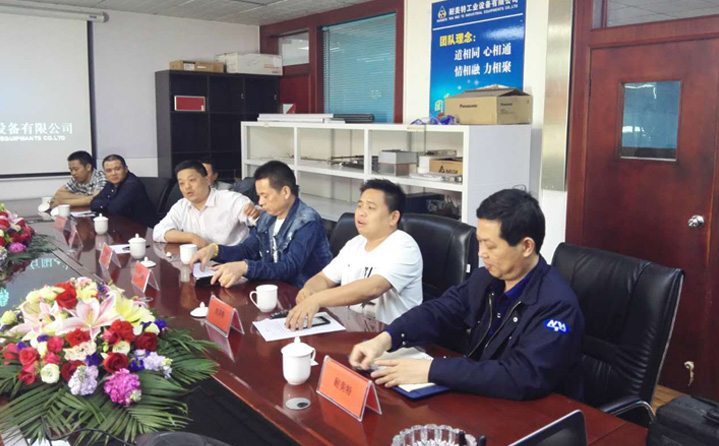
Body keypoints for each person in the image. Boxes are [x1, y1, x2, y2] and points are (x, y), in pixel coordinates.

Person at [349, 189, 585, 401]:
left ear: (526, 246)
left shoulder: (556, 304)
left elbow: (522, 375)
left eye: (491, 246)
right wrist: (386, 338)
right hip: (480, 396)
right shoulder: (487, 279)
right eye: (479, 242)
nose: (481, 253)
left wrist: (432, 370)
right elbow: (439, 311)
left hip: (533, 413)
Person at [285, 179, 422, 329]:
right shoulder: (355, 243)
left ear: (393, 217)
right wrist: (309, 290)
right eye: (360, 205)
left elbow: (373, 288)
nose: (361, 212)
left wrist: (318, 299)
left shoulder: (404, 246)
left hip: (391, 337)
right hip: (352, 329)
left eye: (370, 207)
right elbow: (324, 278)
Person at [190, 161, 332, 289]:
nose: (260, 202)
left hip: (303, 293)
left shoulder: (307, 222)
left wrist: (246, 268)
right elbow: (248, 250)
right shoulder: (267, 217)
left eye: (265, 196)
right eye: (259, 196)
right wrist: (214, 250)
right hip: (272, 287)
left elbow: (289, 267)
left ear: (285, 192)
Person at [153, 160, 260, 248]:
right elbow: (158, 232)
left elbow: (261, 219)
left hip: (232, 262)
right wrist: (191, 237)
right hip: (199, 261)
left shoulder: (231, 200)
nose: (187, 187)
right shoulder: (181, 205)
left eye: (192, 180)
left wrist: (257, 211)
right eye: (181, 183)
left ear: (207, 181)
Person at [90, 154, 159, 228]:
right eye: (108, 171)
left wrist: (105, 203)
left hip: (142, 228)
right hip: (122, 224)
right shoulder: (111, 183)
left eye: (117, 169)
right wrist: (109, 203)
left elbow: (115, 209)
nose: (113, 173)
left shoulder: (132, 184)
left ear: (125, 169)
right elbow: (93, 203)